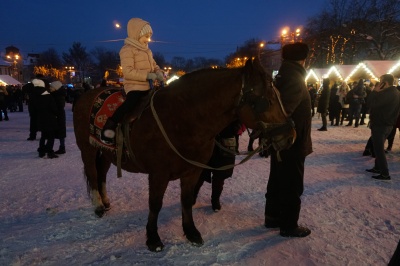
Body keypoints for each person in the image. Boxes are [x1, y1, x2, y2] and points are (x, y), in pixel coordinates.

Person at [264, 42, 312, 237]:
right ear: (303, 59)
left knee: (277, 180)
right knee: (292, 184)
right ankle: (289, 225)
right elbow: (284, 114)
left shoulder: (285, 74)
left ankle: (272, 217)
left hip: (283, 142)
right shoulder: (295, 78)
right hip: (292, 142)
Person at [101, 18, 164, 143]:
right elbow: (128, 72)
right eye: (146, 36)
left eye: (150, 36)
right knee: (130, 104)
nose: (148, 39)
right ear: (136, 34)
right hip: (135, 86)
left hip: (149, 86)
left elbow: (154, 65)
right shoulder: (127, 50)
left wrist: (159, 73)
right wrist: (147, 75)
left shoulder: (147, 50)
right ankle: (109, 129)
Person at [193, 120, 240, 212]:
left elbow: (238, 123)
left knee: (220, 176)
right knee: (201, 173)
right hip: (207, 142)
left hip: (225, 145)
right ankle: (193, 195)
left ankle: (215, 199)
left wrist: (232, 128)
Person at [365, 74, 400, 180]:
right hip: (387, 123)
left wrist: (375, 91)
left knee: (379, 150)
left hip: (381, 124)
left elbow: (371, 104)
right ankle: (377, 167)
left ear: (385, 82)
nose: (379, 83)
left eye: (381, 81)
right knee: (378, 147)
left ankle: (385, 173)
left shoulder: (389, 94)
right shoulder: (395, 92)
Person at [31, 79, 59, 159]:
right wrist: (56, 114)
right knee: (51, 136)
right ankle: (49, 151)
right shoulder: (48, 96)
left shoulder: (34, 96)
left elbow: (33, 109)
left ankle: (41, 151)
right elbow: (54, 108)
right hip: (50, 119)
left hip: (40, 118)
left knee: (43, 135)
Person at [50, 81, 67, 154]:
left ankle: (62, 147)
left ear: (56, 88)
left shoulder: (57, 96)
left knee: (59, 131)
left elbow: (59, 107)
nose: (50, 88)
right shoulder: (56, 94)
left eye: (52, 87)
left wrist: (54, 112)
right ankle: (61, 146)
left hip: (58, 116)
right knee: (59, 132)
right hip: (59, 115)